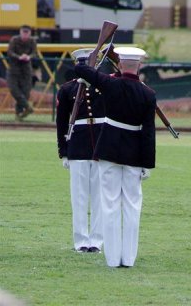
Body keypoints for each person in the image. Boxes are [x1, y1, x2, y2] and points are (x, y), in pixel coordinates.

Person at [74, 46, 156, 268]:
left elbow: (82, 70)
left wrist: (92, 58)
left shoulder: (110, 83)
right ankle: (127, 259)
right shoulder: (148, 93)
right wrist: (148, 164)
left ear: (120, 65)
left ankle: (112, 259)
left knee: (109, 204)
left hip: (109, 148)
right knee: (131, 206)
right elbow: (148, 132)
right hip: (134, 153)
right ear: (139, 66)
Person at [56, 48, 103, 253]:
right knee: (79, 197)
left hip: (101, 145)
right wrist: (63, 151)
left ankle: (97, 241)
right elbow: (61, 123)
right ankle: (81, 241)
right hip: (77, 146)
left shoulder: (106, 86)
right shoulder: (67, 90)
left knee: (100, 197)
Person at [7, 25, 37, 121]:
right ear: (20, 32)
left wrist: (28, 57)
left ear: (29, 33)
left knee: (25, 91)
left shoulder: (32, 41)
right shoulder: (14, 40)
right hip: (14, 69)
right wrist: (19, 57)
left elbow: (34, 53)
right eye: (23, 32)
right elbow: (10, 52)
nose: (25, 35)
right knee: (14, 89)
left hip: (26, 70)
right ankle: (27, 107)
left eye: (27, 33)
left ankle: (19, 114)